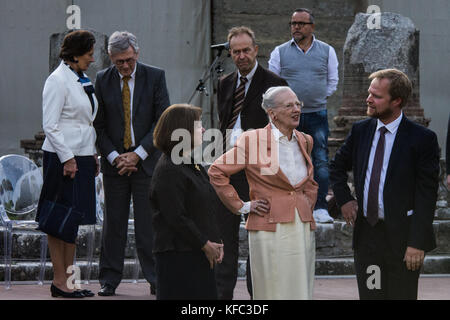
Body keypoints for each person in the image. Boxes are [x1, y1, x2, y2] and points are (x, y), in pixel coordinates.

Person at [329, 69, 440, 300]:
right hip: (368, 238)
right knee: (372, 297)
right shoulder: (361, 130)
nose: (368, 99)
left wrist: (417, 243)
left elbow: (426, 195)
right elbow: (336, 167)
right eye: (370, 93)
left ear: (397, 101)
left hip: (404, 240)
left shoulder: (422, 139)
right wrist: (345, 199)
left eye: (377, 96)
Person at [209, 86, 318, 300]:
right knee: (272, 289)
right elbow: (217, 171)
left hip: (302, 225)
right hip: (269, 227)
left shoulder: (306, 140)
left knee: (301, 287)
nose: (296, 109)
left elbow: (310, 182)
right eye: (289, 105)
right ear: (272, 112)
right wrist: (242, 206)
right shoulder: (252, 140)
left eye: (298, 104)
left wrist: (306, 203)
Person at [94, 31, 170, 296]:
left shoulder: (155, 76)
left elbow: (162, 119)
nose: (124, 66)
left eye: (128, 60)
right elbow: (98, 125)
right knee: (113, 224)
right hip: (115, 164)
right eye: (118, 62)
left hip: (146, 163)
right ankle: (109, 279)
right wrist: (116, 157)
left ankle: (155, 279)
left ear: (137, 53)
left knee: (148, 225)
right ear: (111, 59)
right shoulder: (102, 80)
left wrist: (138, 154)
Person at [215, 26, 288, 300]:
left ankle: (258, 294)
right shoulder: (224, 83)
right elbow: (225, 123)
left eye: (246, 50)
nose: (242, 56)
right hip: (228, 169)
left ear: (256, 50)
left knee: (257, 237)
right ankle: (222, 294)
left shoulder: (275, 83)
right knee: (224, 234)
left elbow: (283, 130)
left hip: (260, 172)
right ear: (230, 53)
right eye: (236, 51)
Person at [36, 30, 99, 298]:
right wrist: (69, 158)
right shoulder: (57, 80)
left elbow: (85, 122)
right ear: (74, 54)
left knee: (73, 220)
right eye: (89, 53)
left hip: (82, 156)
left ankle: (69, 283)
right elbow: (50, 125)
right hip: (62, 158)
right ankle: (59, 281)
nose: (92, 58)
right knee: (58, 218)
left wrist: (91, 154)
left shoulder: (80, 78)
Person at [269, 8, 339, 223]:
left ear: (312, 27)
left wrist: (315, 98)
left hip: (317, 114)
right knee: (285, 158)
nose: (296, 27)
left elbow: (332, 81)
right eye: (293, 23)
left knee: (319, 160)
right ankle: (286, 206)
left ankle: (319, 208)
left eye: (301, 23)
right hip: (286, 118)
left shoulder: (327, 51)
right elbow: (274, 83)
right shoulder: (279, 52)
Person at [150, 104, 223, 300]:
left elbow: (205, 206)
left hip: (195, 252)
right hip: (178, 256)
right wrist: (205, 243)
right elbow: (175, 216)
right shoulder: (169, 168)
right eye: (198, 125)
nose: (204, 130)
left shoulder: (189, 162)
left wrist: (215, 241)